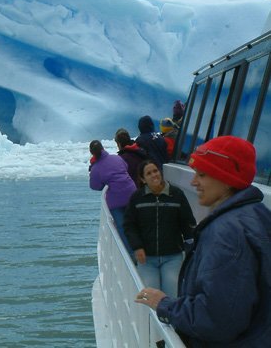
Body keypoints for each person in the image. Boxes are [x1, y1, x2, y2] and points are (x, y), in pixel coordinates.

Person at [135, 136, 271, 347]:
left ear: (226, 178)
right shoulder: (257, 215)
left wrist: (164, 304)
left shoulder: (227, 233)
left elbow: (218, 320)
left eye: (202, 174)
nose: (193, 182)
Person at [123, 159, 196, 296]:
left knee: (172, 296)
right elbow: (129, 225)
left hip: (173, 257)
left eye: (155, 171)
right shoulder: (137, 198)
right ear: (143, 179)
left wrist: (190, 247)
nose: (154, 175)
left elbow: (187, 222)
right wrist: (137, 246)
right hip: (147, 259)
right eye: (149, 173)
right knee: (151, 296)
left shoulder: (176, 194)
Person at [88, 140, 137, 250]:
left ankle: (131, 254)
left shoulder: (96, 168)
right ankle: (143, 248)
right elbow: (126, 167)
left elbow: (94, 186)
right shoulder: (116, 158)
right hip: (132, 193)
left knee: (122, 227)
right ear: (103, 148)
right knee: (135, 222)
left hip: (116, 200)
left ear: (92, 153)